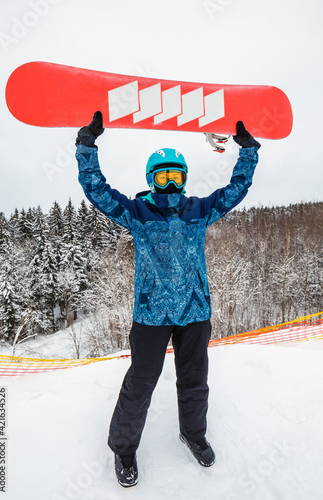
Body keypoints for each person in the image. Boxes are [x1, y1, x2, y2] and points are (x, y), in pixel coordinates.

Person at [75, 113, 260, 487]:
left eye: (176, 175)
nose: (170, 182)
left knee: (195, 381)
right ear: (151, 180)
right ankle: (124, 449)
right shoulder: (137, 212)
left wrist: (248, 151)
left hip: (194, 312)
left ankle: (193, 434)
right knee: (141, 383)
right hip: (151, 315)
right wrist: (87, 146)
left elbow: (236, 190)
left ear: (185, 178)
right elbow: (96, 191)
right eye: (162, 176)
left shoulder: (199, 210)